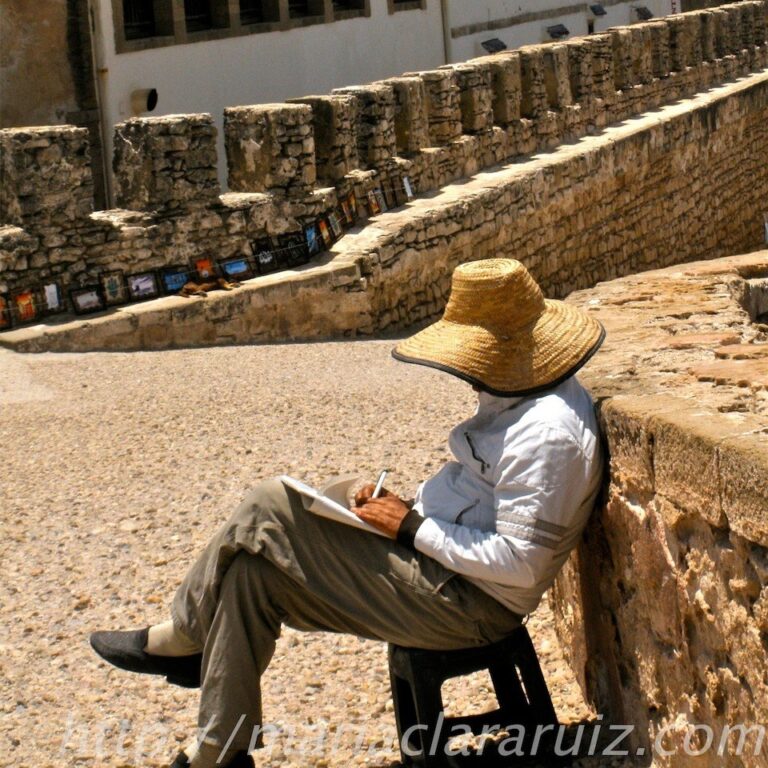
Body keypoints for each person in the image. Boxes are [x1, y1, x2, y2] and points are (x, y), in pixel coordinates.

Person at [90, 258, 605, 768]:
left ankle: (181, 638)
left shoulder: (546, 436)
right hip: (445, 573)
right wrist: (398, 514)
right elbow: (486, 505)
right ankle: (219, 753)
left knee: (271, 503)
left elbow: (520, 564)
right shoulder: (526, 396)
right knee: (252, 576)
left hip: (470, 605)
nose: (466, 374)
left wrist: (411, 527)